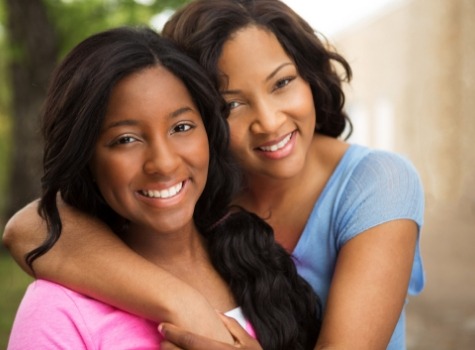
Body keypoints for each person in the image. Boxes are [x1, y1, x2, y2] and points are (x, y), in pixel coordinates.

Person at [3, 0, 425, 349]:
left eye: (281, 83)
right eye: (232, 105)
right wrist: (184, 304)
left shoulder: (376, 183)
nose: (269, 121)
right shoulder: (203, 197)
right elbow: (29, 228)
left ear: (308, 77)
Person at [6, 26, 321, 350]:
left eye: (181, 127)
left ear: (209, 133)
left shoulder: (263, 260)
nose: (164, 163)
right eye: (126, 139)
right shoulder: (58, 310)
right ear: (85, 157)